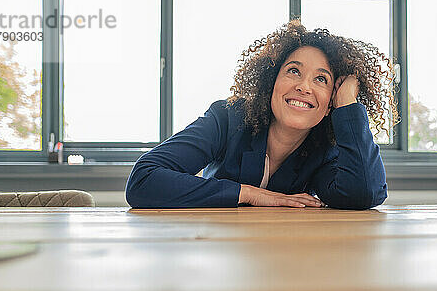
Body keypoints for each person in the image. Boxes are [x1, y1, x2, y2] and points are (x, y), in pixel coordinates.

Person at [126, 20, 398, 210]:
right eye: (294, 71)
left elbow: (365, 193)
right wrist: (250, 194)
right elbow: (143, 180)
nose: (304, 86)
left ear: (329, 104)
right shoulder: (227, 118)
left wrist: (348, 104)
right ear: (271, 83)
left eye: (321, 80)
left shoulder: (326, 149)